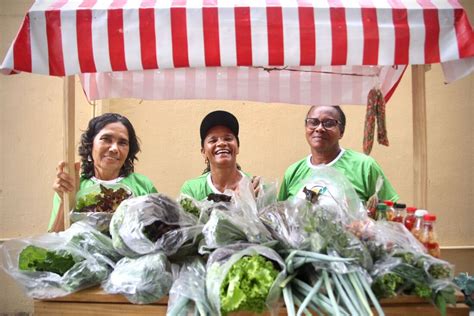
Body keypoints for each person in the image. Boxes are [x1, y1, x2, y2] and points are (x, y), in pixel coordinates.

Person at [49, 113, 157, 232]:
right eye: (106, 139)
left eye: (122, 143)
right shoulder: (72, 184)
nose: (114, 148)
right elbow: (54, 241)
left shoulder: (142, 185)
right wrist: (67, 199)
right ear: (90, 145)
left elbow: (158, 234)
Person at [278, 105, 398, 203]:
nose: (319, 128)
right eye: (313, 122)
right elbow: (280, 216)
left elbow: (392, 211)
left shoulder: (364, 167)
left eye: (329, 123)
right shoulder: (293, 172)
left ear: (341, 131)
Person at [180, 110, 260, 201]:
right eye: (213, 140)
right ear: (203, 152)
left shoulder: (256, 187)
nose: (221, 143)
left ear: (237, 147)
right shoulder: (192, 190)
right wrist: (238, 201)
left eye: (228, 138)